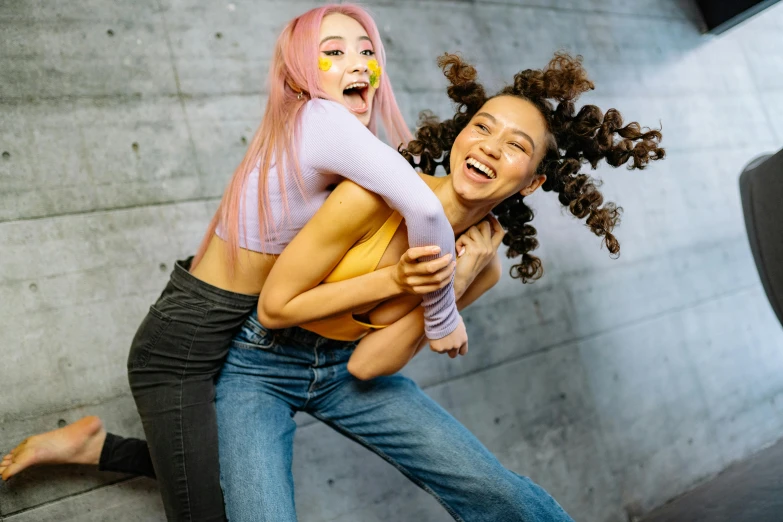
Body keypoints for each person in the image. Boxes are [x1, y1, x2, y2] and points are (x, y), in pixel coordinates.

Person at [0, 5, 467, 521]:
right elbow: (424, 208)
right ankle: (95, 448)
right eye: (332, 52)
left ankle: (92, 446)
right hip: (181, 346)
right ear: (299, 74)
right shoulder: (322, 118)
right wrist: (441, 313)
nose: (357, 64)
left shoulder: (313, 130)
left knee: (233, 473)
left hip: (223, 329)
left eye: (366, 51)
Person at [215, 52, 664, 521]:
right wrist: (394, 279)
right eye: (483, 127)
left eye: (517, 146)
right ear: (462, 135)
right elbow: (274, 308)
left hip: (344, 372)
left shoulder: (482, 267)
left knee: (497, 493)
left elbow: (368, 365)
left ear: (533, 183)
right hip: (261, 361)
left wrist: (456, 280)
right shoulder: (372, 195)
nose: (491, 146)